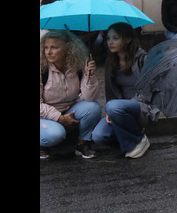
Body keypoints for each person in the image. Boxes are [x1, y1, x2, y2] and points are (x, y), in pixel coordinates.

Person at [92, 22, 161, 158]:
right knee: (98, 136)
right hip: (118, 110)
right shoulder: (110, 62)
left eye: (116, 38)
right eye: (108, 38)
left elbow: (148, 92)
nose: (110, 42)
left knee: (113, 106)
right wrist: (110, 112)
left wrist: (118, 107)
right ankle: (134, 140)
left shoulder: (143, 59)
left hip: (142, 107)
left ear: (128, 39)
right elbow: (110, 94)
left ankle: (137, 140)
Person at [40, 30, 102, 159]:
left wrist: (89, 76)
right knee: (55, 134)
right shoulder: (42, 69)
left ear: (68, 48)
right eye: (46, 47)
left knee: (93, 107)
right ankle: (42, 144)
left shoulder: (77, 65)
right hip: (44, 115)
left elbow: (89, 97)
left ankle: (82, 143)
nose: (48, 52)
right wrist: (59, 118)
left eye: (54, 47)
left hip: (69, 110)